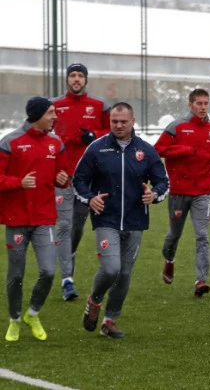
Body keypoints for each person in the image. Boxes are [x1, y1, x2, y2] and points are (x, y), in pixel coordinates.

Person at [74, 102, 169, 338]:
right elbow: (79, 180)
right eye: (114, 121)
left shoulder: (145, 150)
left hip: (135, 221)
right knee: (111, 269)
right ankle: (95, 301)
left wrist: (154, 194)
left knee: (124, 273)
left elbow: (163, 181)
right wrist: (90, 199)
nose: (118, 125)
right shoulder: (97, 149)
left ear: (133, 121)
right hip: (106, 218)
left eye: (123, 121)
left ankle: (110, 320)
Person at [0, 97, 67, 342]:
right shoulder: (10, 142)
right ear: (37, 115)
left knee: (48, 271)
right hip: (16, 219)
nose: (54, 117)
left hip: (44, 218)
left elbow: (63, 174)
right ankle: (14, 320)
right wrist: (18, 182)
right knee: (16, 275)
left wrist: (63, 180)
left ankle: (33, 314)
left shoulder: (56, 143)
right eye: (50, 112)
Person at [154, 88, 210, 297]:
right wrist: (182, 150)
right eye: (199, 103)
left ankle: (201, 280)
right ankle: (169, 260)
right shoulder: (176, 127)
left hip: (203, 191)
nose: (203, 107)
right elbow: (157, 150)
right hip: (179, 191)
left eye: (206, 103)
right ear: (190, 105)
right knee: (174, 235)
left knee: (202, 236)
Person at [52, 63, 111, 301]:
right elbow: (44, 134)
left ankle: (69, 255)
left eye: (80, 76)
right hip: (62, 177)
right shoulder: (54, 105)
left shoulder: (99, 105)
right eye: (72, 75)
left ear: (86, 80)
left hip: (88, 178)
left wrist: (95, 136)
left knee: (77, 226)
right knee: (64, 226)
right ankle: (67, 280)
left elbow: (115, 131)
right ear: (67, 79)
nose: (76, 79)